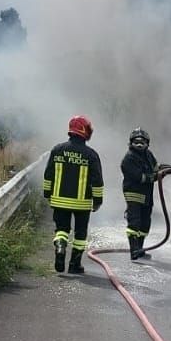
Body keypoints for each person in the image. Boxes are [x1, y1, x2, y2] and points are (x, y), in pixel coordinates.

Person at [43, 116, 104, 275]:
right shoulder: (91, 155)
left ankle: (60, 246)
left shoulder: (57, 150)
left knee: (61, 229)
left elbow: (48, 174)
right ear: (85, 131)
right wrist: (97, 201)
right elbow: (97, 181)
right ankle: (74, 265)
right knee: (80, 234)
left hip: (59, 201)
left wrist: (47, 194)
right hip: (82, 204)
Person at [120, 128, 171, 261]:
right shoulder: (128, 158)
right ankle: (134, 250)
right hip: (134, 194)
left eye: (142, 142)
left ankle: (140, 248)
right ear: (131, 143)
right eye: (136, 142)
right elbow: (140, 178)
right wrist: (159, 175)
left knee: (145, 223)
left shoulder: (148, 155)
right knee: (134, 223)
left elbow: (157, 168)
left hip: (147, 195)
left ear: (147, 143)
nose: (140, 144)